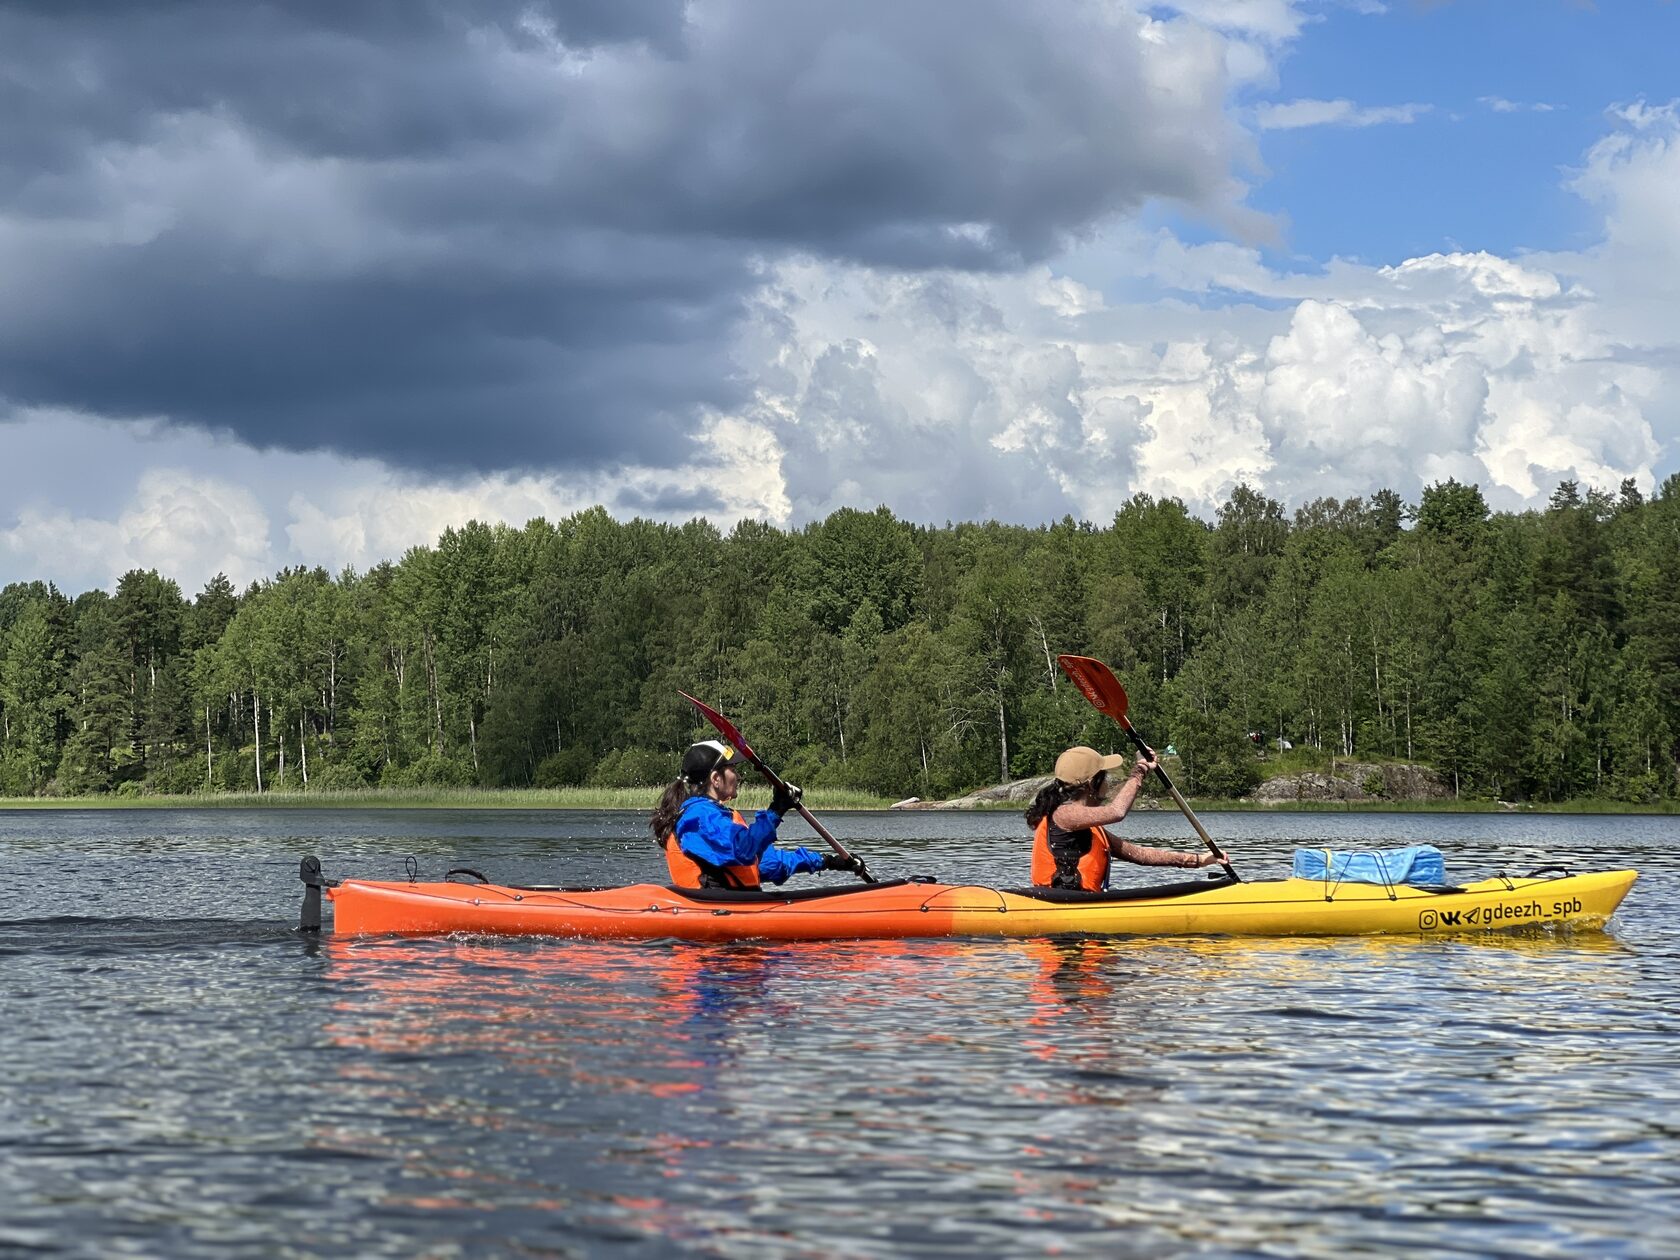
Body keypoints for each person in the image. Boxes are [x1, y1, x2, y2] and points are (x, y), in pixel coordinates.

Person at [650, 740, 867, 889]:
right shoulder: (698, 817)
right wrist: (776, 810)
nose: (738, 775)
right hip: (714, 936)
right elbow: (744, 849)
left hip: (735, 912)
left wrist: (828, 861)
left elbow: (768, 864)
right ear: (716, 779)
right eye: (733, 769)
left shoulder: (715, 815)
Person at [1026, 745, 1229, 891]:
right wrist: (1140, 770)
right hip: (1061, 910)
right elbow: (1117, 812)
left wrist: (1199, 860)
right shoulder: (1064, 814)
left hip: (1081, 905)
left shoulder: (1089, 829)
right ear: (1091, 784)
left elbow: (1141, 855)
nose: (1108, 784)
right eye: (1105, 777)